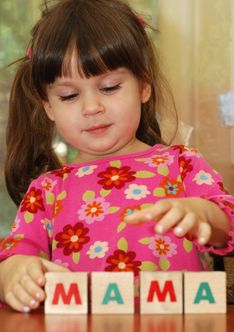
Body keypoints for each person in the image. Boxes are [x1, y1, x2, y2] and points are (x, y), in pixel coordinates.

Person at [0, 0, 233, 313]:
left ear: (144, 87)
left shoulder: (181, 164)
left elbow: (227, 221)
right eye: (69, 95)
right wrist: (12, 273)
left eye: (109, 87)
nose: (91, 107)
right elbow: (15, 255)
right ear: (48, 107)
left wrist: (204, 214)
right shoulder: (46, 191)